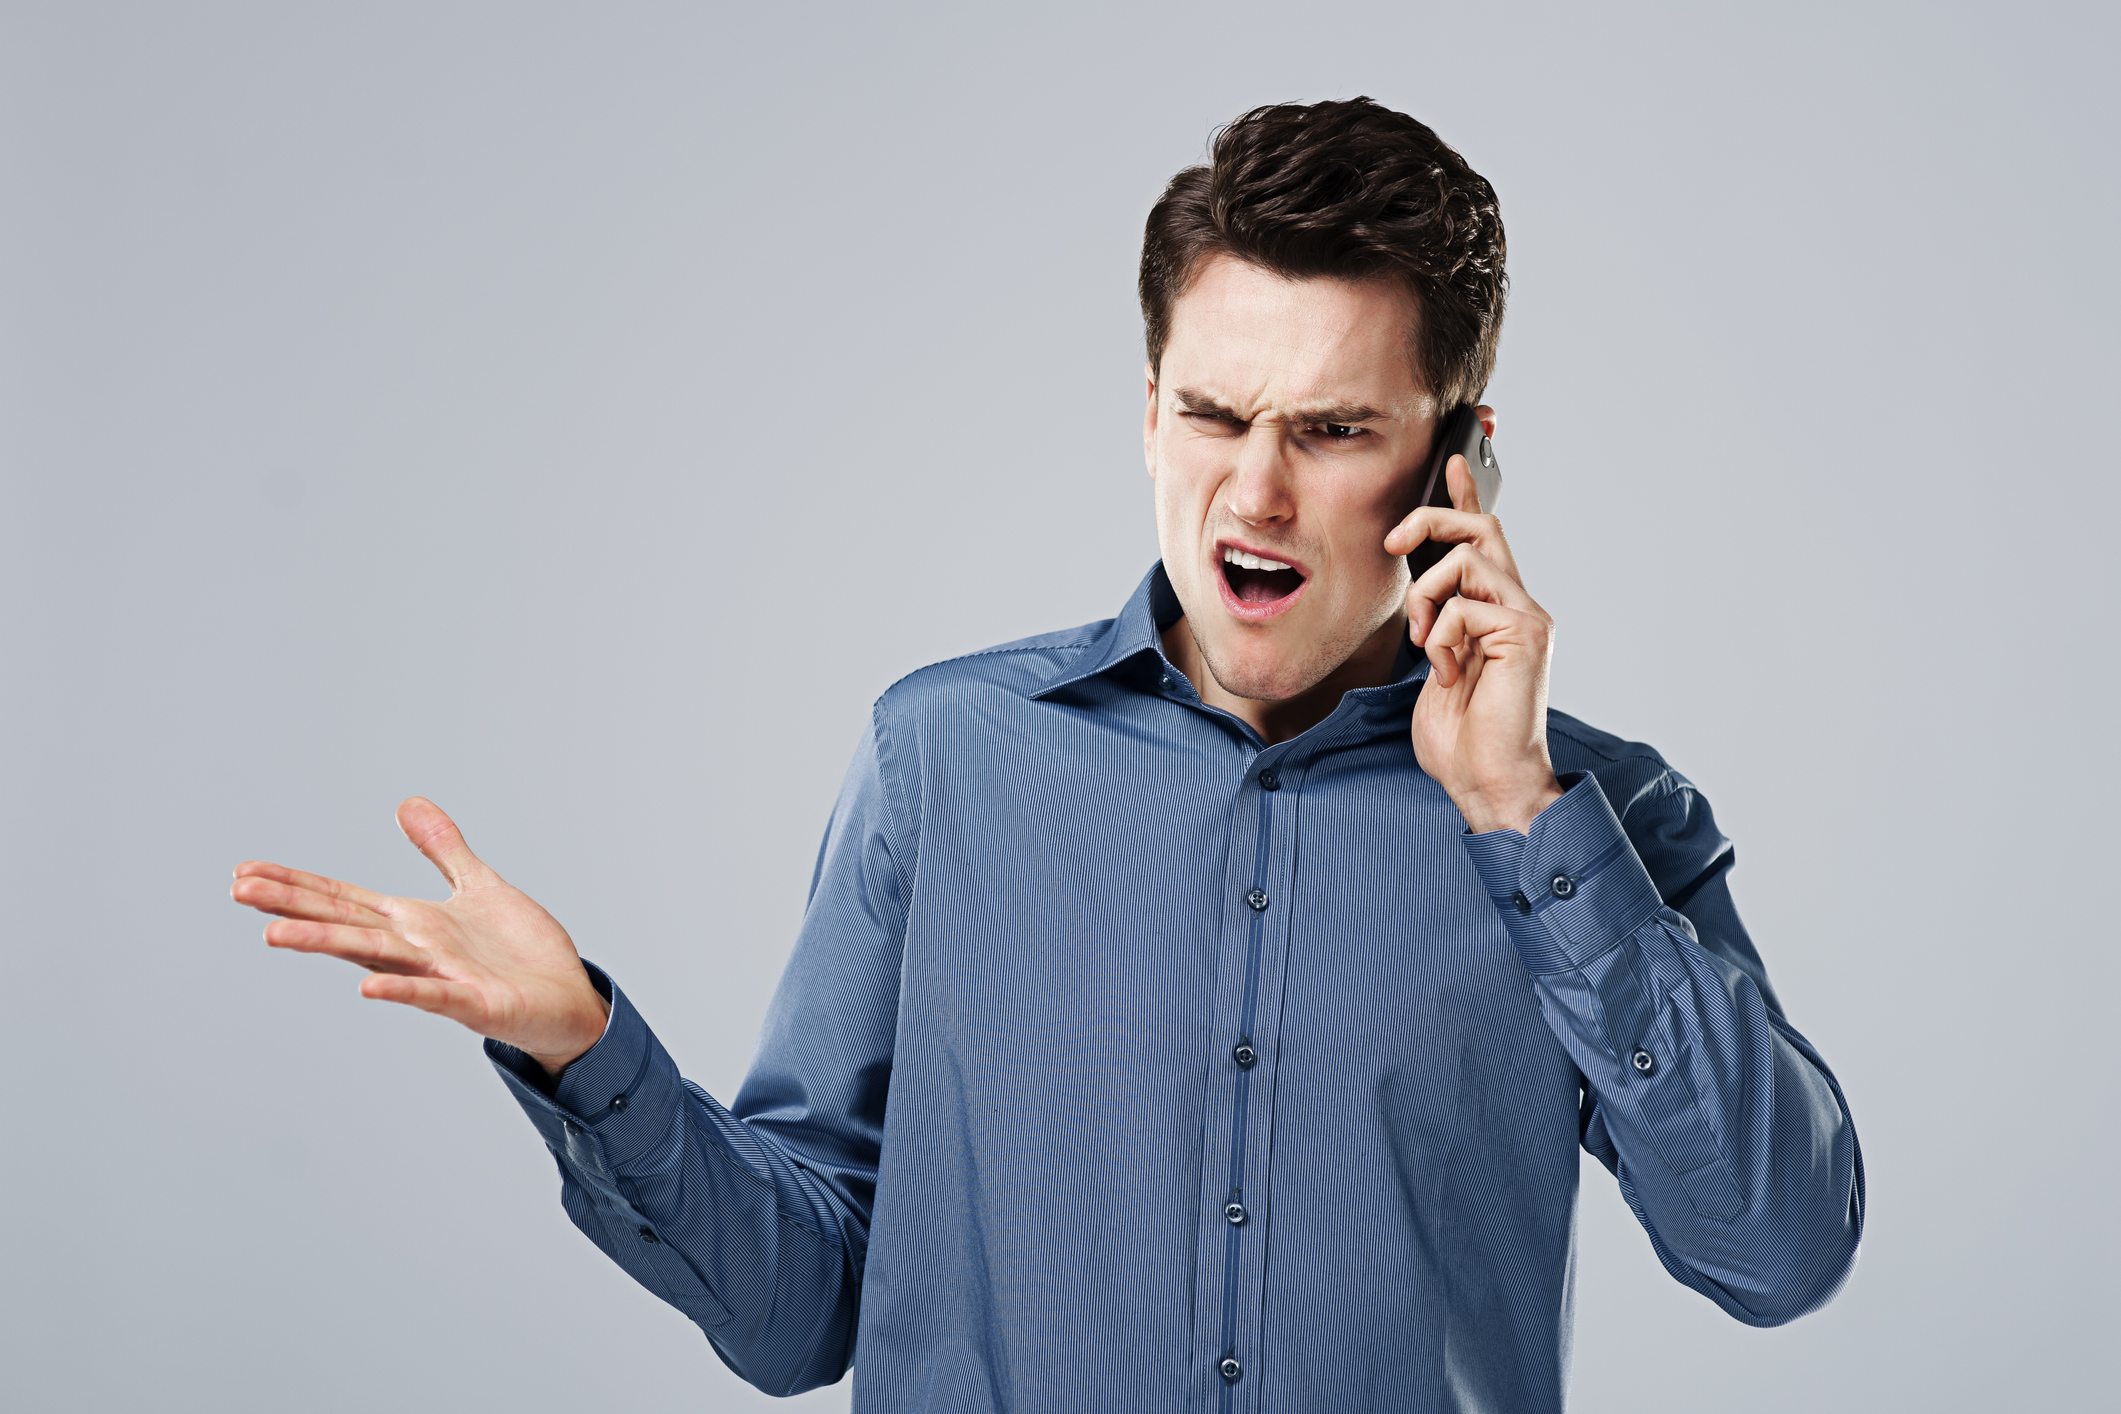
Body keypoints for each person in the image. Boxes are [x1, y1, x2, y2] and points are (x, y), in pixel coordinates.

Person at [232, 98, 1863, 1412]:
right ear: (1148, 410)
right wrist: (588, 1045)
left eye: (1333, 429)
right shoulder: (944, 757)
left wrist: (1520, 812)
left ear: (1459, 465)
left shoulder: (1597, 817)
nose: (1255, 496)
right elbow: (801, 1311)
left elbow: (1776, 1253)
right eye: (1215, 416)